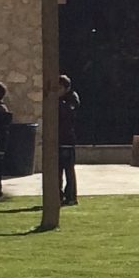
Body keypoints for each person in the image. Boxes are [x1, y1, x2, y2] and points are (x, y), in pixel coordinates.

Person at [54, 72, 83, 206]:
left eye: (59, 88)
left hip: (67, 139)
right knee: (57, 170)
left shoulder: (71, 99)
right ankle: (57, 196)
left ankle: (71, 196)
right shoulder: (59, 100)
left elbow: (68, 113)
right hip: (58, 139)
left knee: (68, 170)